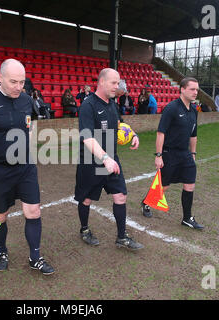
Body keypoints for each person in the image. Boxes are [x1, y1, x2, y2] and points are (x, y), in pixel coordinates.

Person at [0, 58, 55, 275]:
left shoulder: (25, 100)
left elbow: (28, 128)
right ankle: (2, 250)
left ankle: (35, 257)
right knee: (0, 216)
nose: (19, 87)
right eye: (13, 82)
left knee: (33, 211)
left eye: (22, 82)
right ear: (0, 78)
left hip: (25, 167)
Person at [74, 68, 144, 251]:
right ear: (102, 82)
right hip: (92, 162)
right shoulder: (88, 105)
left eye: (118, 82)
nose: (117, 86)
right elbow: (87, 137)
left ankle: (122, 237)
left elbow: (120, 124)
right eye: (113, 83)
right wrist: (104, 158)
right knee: (86, 199)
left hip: (112, 160)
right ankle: (84, 229)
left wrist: (133, 134)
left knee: (120, 196)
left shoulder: (112, 104)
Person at [141, 77, 204, 230]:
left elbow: (193, 134)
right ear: (182, 89)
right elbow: (161, 133)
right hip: (170, 153)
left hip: (186, 154)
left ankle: (187, 218)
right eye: (192, 89)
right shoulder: (172, 108)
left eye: (197, 89)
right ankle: (146, 203)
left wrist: (193, 153)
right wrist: (158, 155)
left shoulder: (194, 110)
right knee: (164, 185)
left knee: (190, 184)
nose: (195, 92)